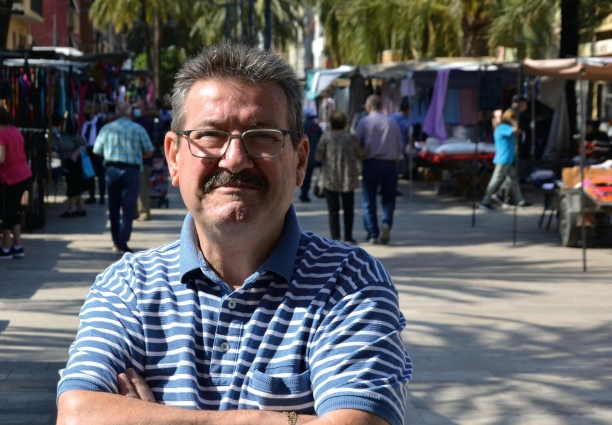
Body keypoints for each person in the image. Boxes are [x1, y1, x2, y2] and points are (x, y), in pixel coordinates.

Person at [57, 42, 411, 425]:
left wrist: (154, 417)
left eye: (262, 136)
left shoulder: (349, 282)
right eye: (210, 135)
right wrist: (270, 419)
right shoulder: (127, 287)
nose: (235, 158)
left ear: (301, 160)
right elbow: (78, 415)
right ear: (175, 158)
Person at [92, 102, 154, 253]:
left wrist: (109, 153)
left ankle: (115, 241)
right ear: (130, 112)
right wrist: (137, 155)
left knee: (113, 207)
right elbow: (149, 151)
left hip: (112, 169)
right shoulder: (138, 129)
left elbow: (96, 150)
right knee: (129, 207)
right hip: (131, 170)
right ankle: (122, 241)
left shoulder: (107, 129)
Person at [354, 94, 404, 245]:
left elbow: (357, 143)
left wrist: (358, 161)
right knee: (389, 198)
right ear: (381, 106)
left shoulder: (364, 122)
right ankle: (386, 223)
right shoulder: (392, 122)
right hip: (389, 165)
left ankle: (372, 234)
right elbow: (399, 145)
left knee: (369, 199)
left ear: (369, 107)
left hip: (370, 163)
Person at [0, 107, 32, 260]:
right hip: (23, 174)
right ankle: (17, 246)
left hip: (10, 178)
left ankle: (5, 248)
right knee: (13, 211)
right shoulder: (15, 131)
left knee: (7, 212)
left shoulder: (0, 136)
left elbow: (0, 158)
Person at [315, 111, 363, 245]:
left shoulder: (326, 137)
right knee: (349, 209)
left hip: (330, 178)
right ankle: (349, 236)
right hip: (348, 177)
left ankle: (335, 237)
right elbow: (360, 153)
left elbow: (318, 156)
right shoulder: (350, 138)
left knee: (333, 210)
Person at [480, 109, 530, 210]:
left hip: (507, 159)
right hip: (503, 159)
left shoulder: (503, 127)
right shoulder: (502, 127)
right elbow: (516, 130)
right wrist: (512, 122)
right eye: (514, 118)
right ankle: (486, 201)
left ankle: (520, 201)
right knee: (496, 180)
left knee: (513, 179)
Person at [51, 113, 88, 218]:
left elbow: (83, 145)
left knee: (73, 187)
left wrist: (75, 154)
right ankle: (81, 208)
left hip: (75, 163)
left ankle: (71, 209)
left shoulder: (72, 135)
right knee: (74, 186)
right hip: (66, 163)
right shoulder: (55, 137)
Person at [132, 98, 155, 221]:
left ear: (145, 109)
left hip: (144, 161)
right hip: (137, 161)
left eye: (138, 107)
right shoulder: (138, 121)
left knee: (142, 189)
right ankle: (137, 211)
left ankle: (144, 212)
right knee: (137, 188)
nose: (135, 110)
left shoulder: (145, 122)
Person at [81, 104, 106, 205]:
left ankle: (102, 197)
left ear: (92, 113)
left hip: (99, 151)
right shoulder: (85, 124)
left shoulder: (100, 123)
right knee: (90, 174)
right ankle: (92, 196)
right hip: (88, 150)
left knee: (101, 175)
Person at [299, 107, 323, 202]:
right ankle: (305, 193)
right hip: (312, 155)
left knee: (301, 173)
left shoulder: (301, 126)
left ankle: (302, 192)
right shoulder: (316, 126)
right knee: (308, 176)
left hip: (301, 155)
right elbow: (321, 140)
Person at [389, 98, 412, 180]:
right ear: (408, 110)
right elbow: (410, 135)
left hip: (389, 146)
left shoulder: (391, 116)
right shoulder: (407, 121)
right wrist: (413, 144)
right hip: (401, 147)